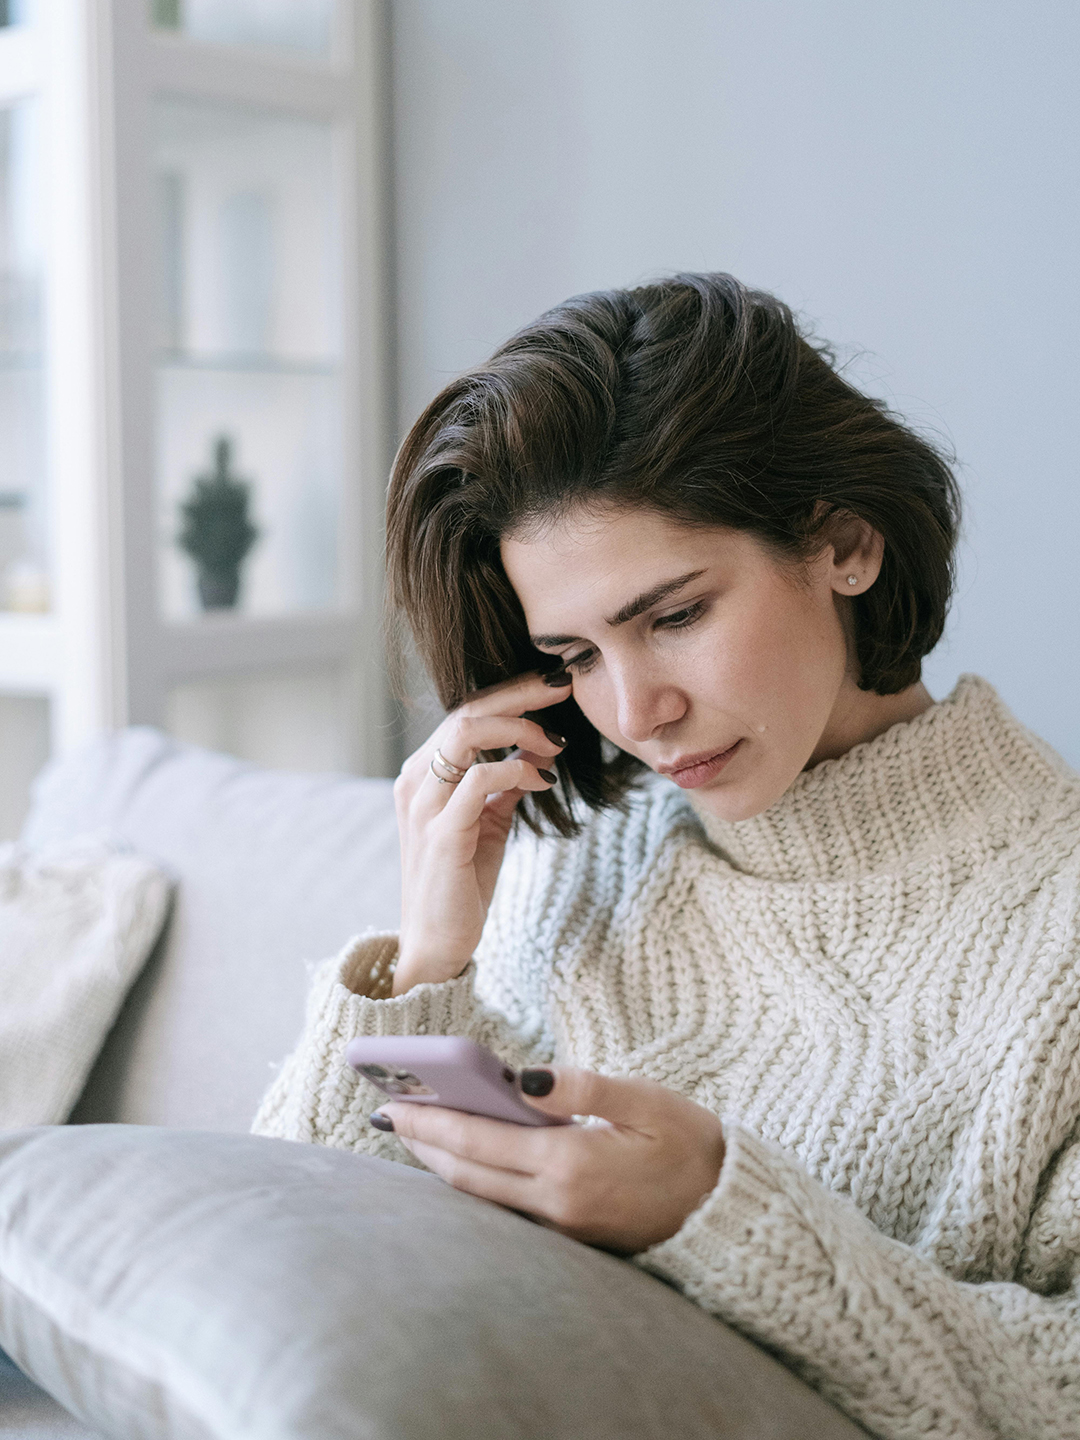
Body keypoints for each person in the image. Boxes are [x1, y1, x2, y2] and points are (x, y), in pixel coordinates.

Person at [254, 273, 1080, 1439]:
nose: (635, 712)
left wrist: (720, 1214)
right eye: (576, 653)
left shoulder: (1058, 928)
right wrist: (427, 960)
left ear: (845, 543)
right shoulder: (577, 864)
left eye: (676, 615)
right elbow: (287, 1279)